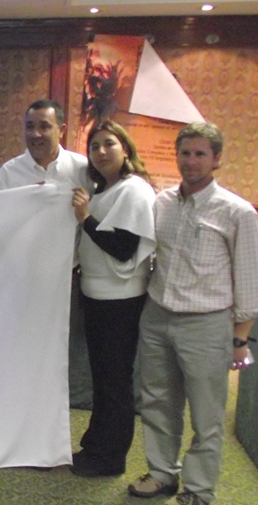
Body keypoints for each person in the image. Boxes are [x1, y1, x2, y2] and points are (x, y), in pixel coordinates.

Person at [127, 123, 258, 505]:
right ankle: (161, 474)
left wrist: (240, 339)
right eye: (185, 153)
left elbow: (249, 284)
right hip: (157, 316)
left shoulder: (237, 212)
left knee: (206, 414)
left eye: (200, 154)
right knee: (157, 402)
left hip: (206, 325)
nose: (191, 161)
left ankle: (199, 489)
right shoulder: (162, 202)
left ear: (216, 159)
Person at [0, 98, 93, 413]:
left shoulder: (82, 170)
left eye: (44, 126)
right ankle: (21, 412)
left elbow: (98, 216)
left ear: (61, 129)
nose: (36, 134)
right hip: (23, 282)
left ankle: (61, 417)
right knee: (23, 350)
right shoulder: (9, 174)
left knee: (66, 352)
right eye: (30, 127)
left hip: (69, 280)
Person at [68, 121, 156, 477]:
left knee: (115, 382)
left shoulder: (134, 190)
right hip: (97, 294)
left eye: (109, 144)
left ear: (126, 149)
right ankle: (96, 445)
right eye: (94, 146)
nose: (101, 152)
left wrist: (85, 218)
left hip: (120, 300)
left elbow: (123, 247)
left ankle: (111, 457)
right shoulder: (103, 190)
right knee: (103, 379)